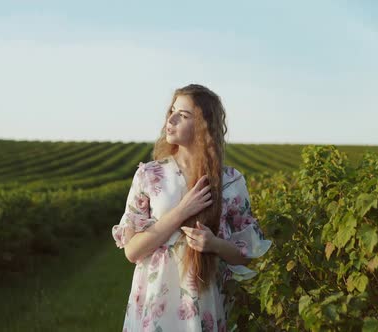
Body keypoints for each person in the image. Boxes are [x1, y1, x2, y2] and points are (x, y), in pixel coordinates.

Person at [111, 83, 272, 331]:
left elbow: (246, 256)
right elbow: (132, 252)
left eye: (183, 115)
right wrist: (181, 212)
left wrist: (214, 244)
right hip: (155, 306)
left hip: (206, 302)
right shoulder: (149, 175)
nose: (171, 119)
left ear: (203, 126)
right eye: (172, 111)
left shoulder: (230, 181)